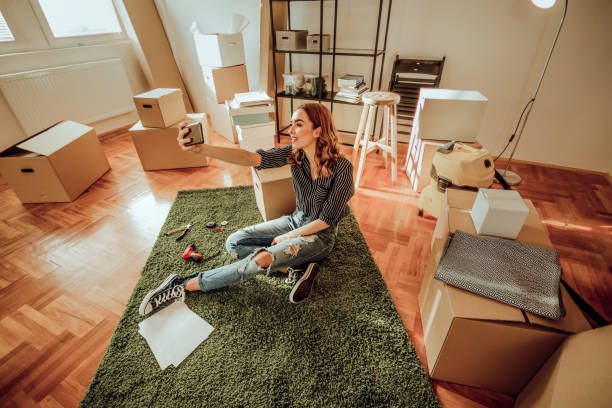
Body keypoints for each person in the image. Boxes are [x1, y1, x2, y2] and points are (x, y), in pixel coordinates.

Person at [139, 103, 354, 316]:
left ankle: (182, 284)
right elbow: (253, 158)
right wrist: (203, 149)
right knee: (233, 243)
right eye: (291, 124)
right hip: (296, 219)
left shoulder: (342, 168)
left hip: (319, 236)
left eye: (298, 124)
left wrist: (288, 236)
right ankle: (292, 270)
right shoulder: (294, 154)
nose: (290, 130)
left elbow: (326, 220)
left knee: (261, 259)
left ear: (317, 130)